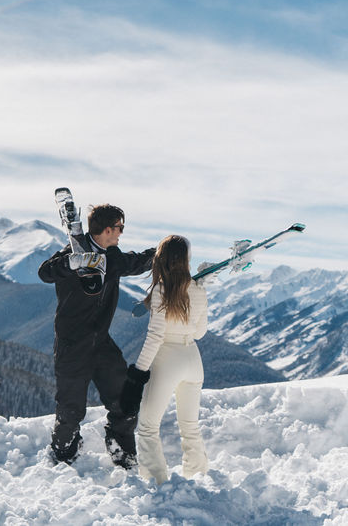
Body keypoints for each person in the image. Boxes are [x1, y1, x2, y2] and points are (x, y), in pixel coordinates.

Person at [38, 203, 155, 468]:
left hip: (101, 343)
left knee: (124, 400)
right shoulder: (74, 251)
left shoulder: (111, 256)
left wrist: (163, 253)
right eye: (119, 228)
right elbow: (45, 272)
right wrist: (72, 263)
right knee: (70, 411)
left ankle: (121, 450)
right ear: (106, 229)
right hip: (72, 346)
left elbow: (136, 262)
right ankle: (62, 456)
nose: (121, 234)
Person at [119, 234, 209, 485]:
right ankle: (199, 475)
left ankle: (156, 480)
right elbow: (200, 333)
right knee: (190, 425)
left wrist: (138, 372)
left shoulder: (161, 289)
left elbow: (156, 335)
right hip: (192, 358)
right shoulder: (199, 289)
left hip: (167, 358)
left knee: (148, 426)